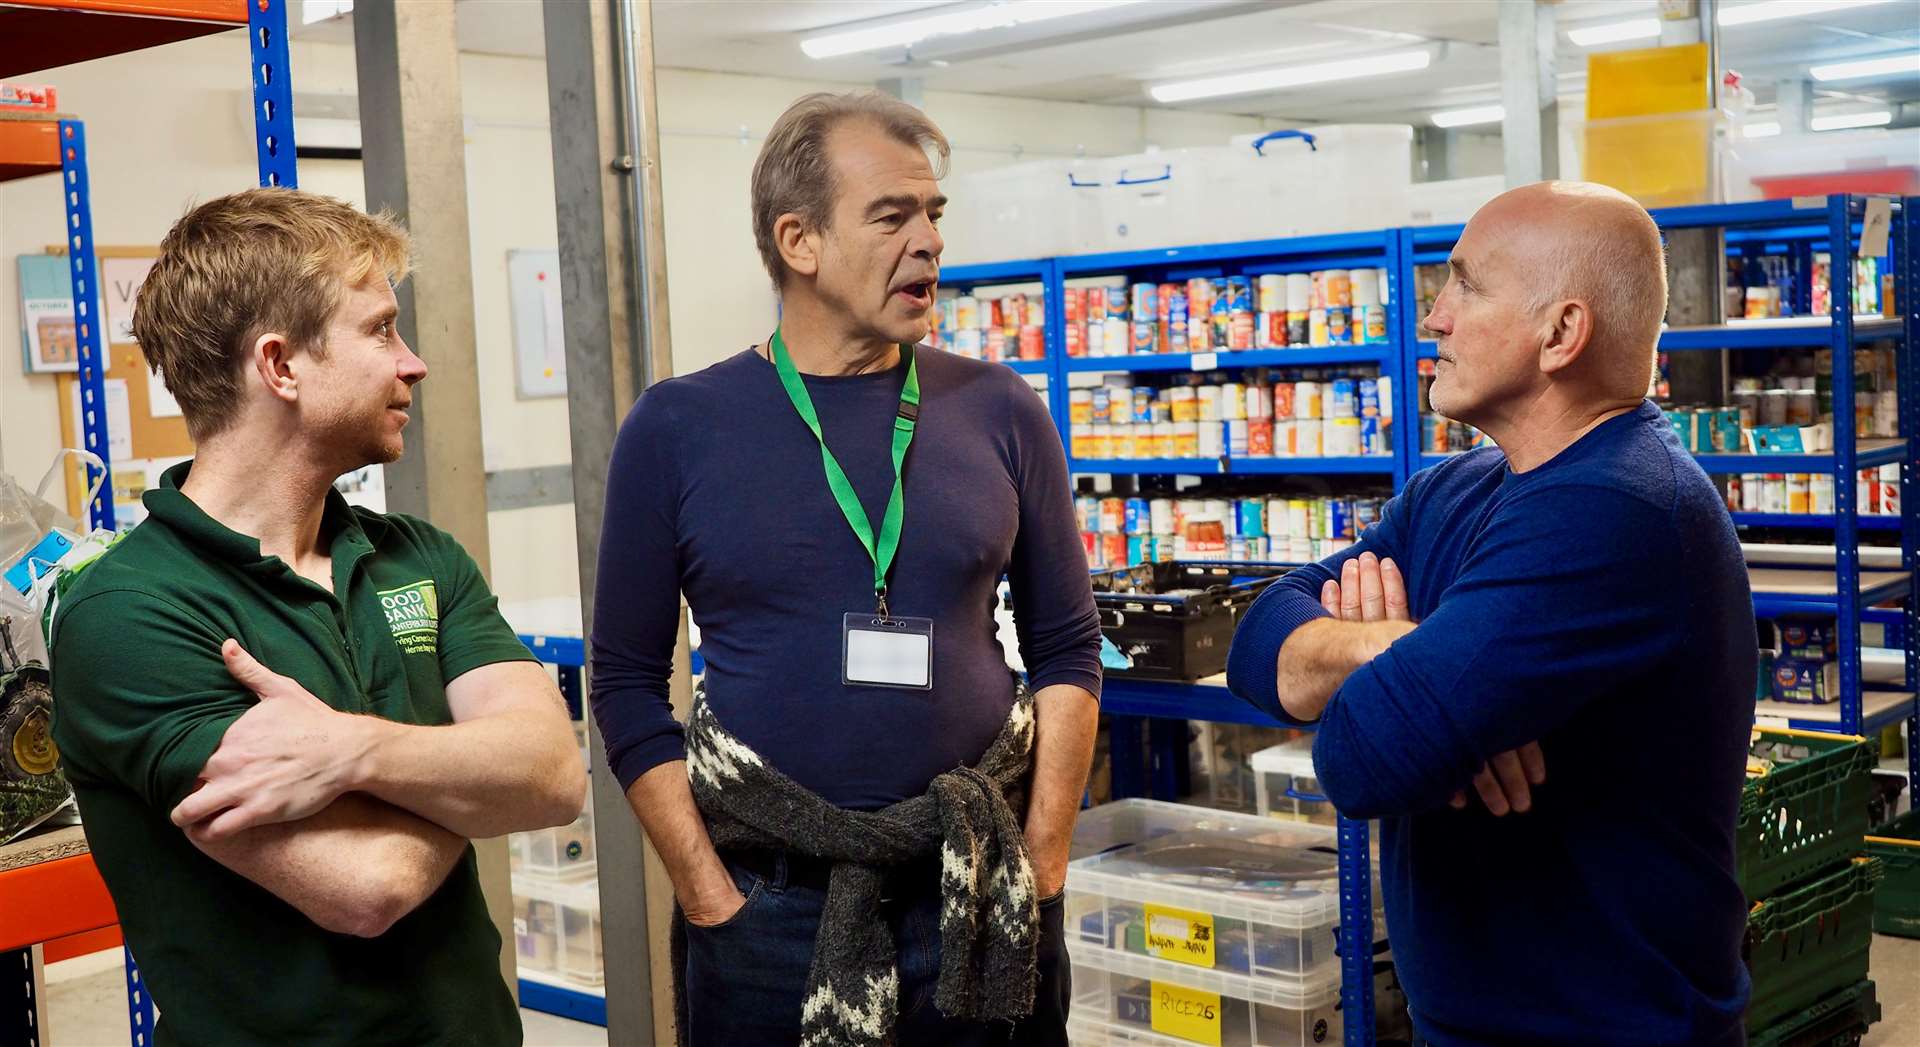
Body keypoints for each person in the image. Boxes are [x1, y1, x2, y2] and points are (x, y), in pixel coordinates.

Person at [590, 91, 1103, 1046]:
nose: (929, 242)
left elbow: (1069, 647)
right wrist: (706, 890)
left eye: (934, 213)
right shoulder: (677, 427)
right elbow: (621, 683)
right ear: (800, 240)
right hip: (766, 911)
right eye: (892, 215)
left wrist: (1044, 854)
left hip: (978, 888)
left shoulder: (999, 408)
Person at [49, 188, 588, 1046]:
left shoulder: (418, 555)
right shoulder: (129, 615)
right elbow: (365, 887)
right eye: (380, 330)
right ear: (282, 365)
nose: (412, 362)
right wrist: (476, 780)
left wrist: (353, 749)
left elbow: (557, 775)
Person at [1226, 181, 1753, 1046]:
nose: (1434, 317)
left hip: (1611, 1029)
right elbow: (1256, 636)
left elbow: (1361, 761)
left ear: (1560, 333)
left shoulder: (1623, 507)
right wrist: (1409, 652)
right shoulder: (1454, 490)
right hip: (1468, 1022)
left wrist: (1418, 702)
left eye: (1465, 286)